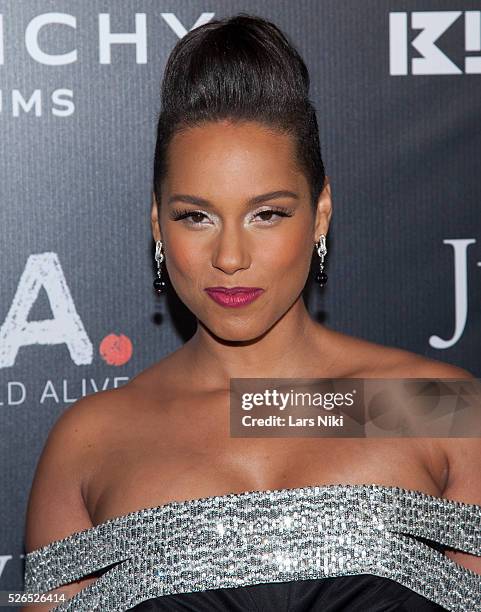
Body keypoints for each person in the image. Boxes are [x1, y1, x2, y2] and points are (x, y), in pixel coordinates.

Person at [22, 12, 480, 612]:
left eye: (268, 213)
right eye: (196, 216)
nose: (230, 257)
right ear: (157, 225)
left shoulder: (431, 407)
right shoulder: (92, 440)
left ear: (320, 214)